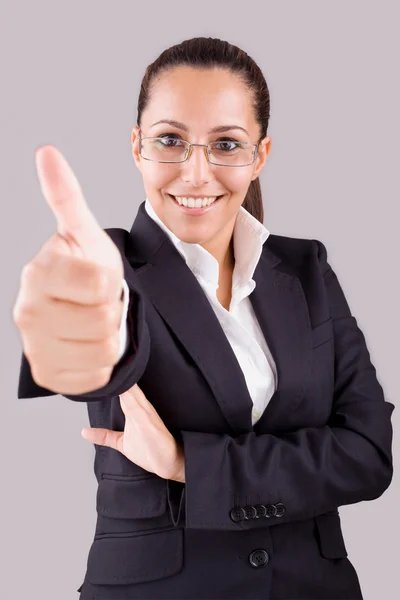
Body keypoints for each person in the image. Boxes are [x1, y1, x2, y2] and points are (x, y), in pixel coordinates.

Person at [14, 36, 394, 600]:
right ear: (137, 146)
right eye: (170, 141)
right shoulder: (112, 270)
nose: (195, 174)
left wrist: (190, 463)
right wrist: (77, 334)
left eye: (225, 144)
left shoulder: (306, 269)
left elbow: (368, 454)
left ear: (259, 155)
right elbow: (106, 349)